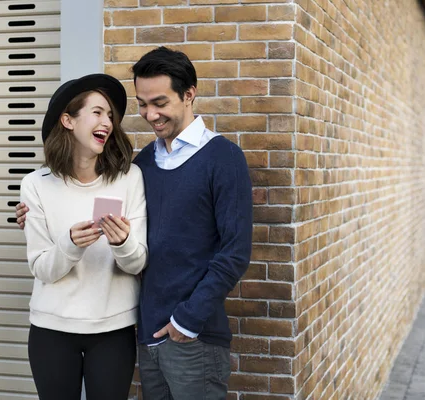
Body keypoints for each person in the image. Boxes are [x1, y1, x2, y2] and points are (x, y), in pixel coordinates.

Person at [16, 47, 253, 400]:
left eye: (160, 102)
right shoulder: (146, 164)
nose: (150, 114)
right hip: (147, 334)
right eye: (143, 104)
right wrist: (39, 221)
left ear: (189, 94)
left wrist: (188, 320)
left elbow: (234, 253)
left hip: (191, 332)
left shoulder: (222, 157)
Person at [19, 73, 147, 400]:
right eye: (97, 112)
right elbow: (42, 268)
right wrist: (70, 244)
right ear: (67, 120)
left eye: (109, 115)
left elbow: (137, 263)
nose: (107, 120)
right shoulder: (35, 184)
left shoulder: (129, 177)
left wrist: (123, 243)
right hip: (51, 331)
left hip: (112, 330)